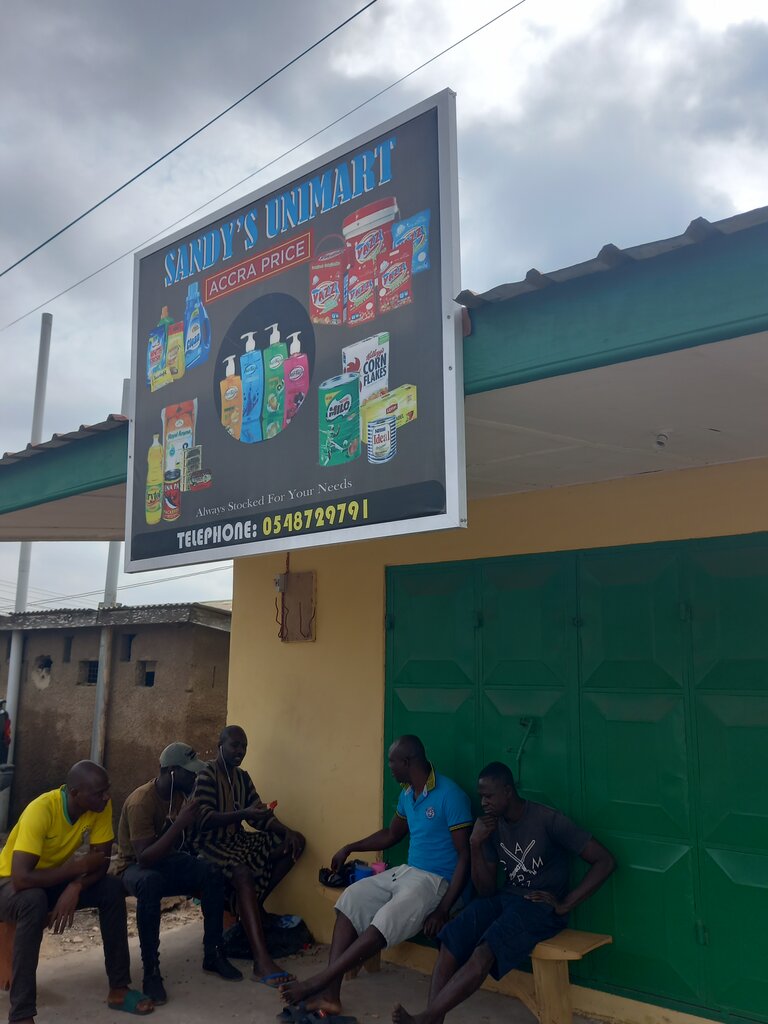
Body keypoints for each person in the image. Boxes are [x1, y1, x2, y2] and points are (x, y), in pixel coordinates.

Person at [391, 761, 617, 1024]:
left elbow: (605, 861)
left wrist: (566, 904)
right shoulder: (488, 826)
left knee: (484, 950)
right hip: (504, 897)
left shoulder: (547, 819)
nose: (484, 803)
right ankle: (433, 1020)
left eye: (489, 796)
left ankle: (428, 1018)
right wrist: (476, 844)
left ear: (508, 792)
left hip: (538, 907)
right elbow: (486, 890)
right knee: (451, 938)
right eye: (481, 797)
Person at [282, 735, 472, 1017]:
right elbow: (392, 834)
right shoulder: (409, 794)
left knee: (385, 919)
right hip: (407, 872)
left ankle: (319, 981)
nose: (390, 767)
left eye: (392, 762)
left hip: (436, 882)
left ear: (408, 762)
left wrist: (443, 909)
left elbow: (465, 857)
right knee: (351, 898)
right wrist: (350, 847)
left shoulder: (450, 795)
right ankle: (331, 995)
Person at [0, 760, 153, 1022]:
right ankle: (21, 1015)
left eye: (107, 790)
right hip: (8, 885)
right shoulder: (41, 810)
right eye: (99, 793)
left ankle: (118, 988)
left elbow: (102, 862)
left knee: (112, 888)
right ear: (75, 794)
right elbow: (22, 878)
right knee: (33, 901)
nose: (106, 797)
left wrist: (76, 885)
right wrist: (77, 868)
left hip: (51, 880)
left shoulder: (99, 806)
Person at [115, 741, 243, 1005]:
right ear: (172, 771)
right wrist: (181, 823)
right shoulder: (141, 802)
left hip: (164, 858)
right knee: (150, 882)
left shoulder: (179, 793)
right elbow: (145, 857)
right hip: (133, 867)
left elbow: (175, 842)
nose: (195, 776)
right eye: (189, 772)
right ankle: (151, 971)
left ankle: (213, 952)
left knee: (211, 871)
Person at [191, 725, 306, 988]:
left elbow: (261, 815)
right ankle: (261, 961)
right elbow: (204, 819)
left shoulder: (243, 778)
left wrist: (287, 831)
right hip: (210, 845)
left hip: (236, 841)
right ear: (220, 745)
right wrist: (243, 814)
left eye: (244, 747)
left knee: (294, 844)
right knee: (241, 871)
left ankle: (252, 910)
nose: (240, 751)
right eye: (235, 746)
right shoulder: (206, 776)